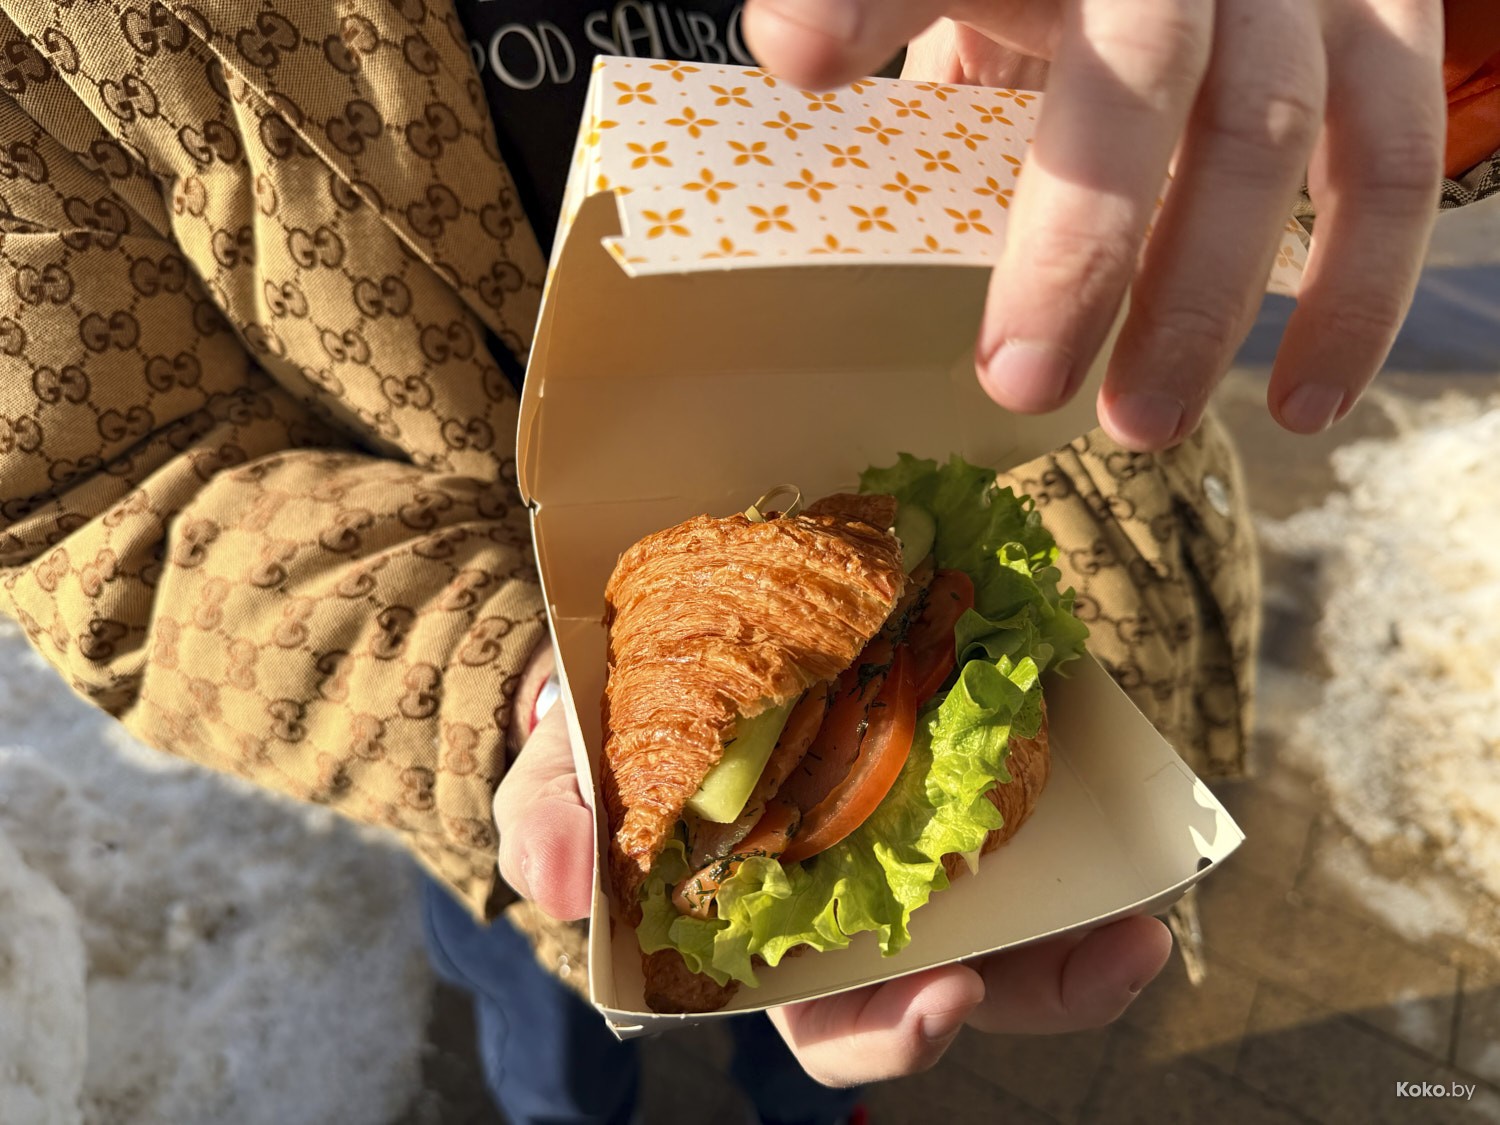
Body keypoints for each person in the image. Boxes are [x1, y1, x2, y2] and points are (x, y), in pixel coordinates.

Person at [0, 0, 1494, 1121]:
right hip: (507, 772)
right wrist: (506, 687)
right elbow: (97, 491)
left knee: (839, 1058)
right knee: (554, 1043)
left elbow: (1394, 83)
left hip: (1052, 494)